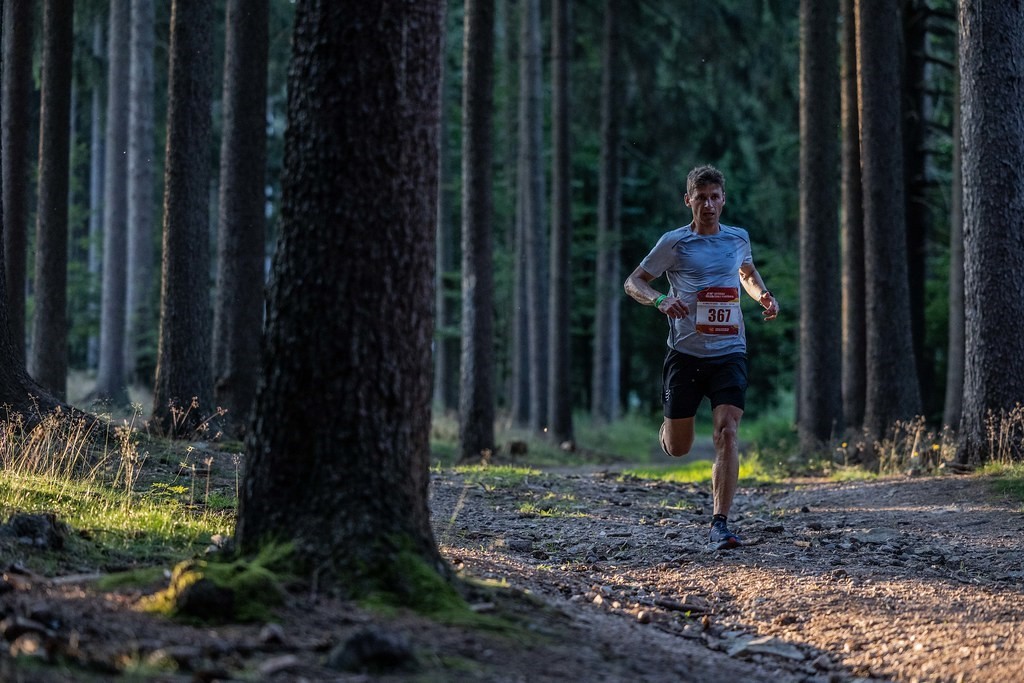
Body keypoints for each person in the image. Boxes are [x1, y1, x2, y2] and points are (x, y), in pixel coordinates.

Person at [624, 165, 778, 550]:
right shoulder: (674, 243)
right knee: (680, 446)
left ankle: (719, 524)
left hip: (730, 350)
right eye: (701, 197)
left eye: (714, 197)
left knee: (727, 430)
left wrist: (763, 295)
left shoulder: (737, 238)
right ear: (688, 200)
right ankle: (667, 429)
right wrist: (660, 299)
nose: (708, 205)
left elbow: (746, 271)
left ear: (723, 200)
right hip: (685, 353)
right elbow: (634, 282)